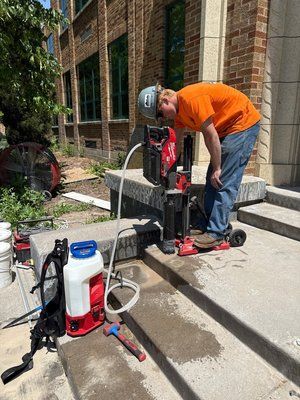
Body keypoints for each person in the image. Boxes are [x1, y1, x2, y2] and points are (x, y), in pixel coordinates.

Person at [137, 82, 260, 249]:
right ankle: (208, 225)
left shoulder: (191, 99)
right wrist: (168, 170)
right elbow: (176, 143)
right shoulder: (180, 112)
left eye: (160, 113)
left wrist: (217, 168)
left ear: (165, 100)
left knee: (223, 180)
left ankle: (216, 233)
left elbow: (210, 135)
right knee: (212, 182)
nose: (163, 118)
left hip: (242, 123)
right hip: (225, 129)